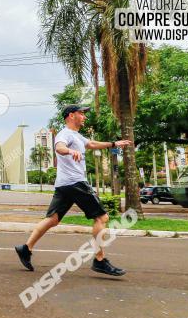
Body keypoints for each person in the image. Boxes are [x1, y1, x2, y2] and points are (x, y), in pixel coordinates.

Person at [14, 105, 133, 277]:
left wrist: (114, 143)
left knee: (52, 219)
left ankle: (25, 248)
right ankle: (99, 260)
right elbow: (59, 148)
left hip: (64, 184)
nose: (84, 116)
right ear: (71, 115)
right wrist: (70, 151)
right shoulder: (64, 134)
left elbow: (91, 143)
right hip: (75, 182)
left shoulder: (76, 135)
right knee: (102, 217)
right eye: (81, 113)